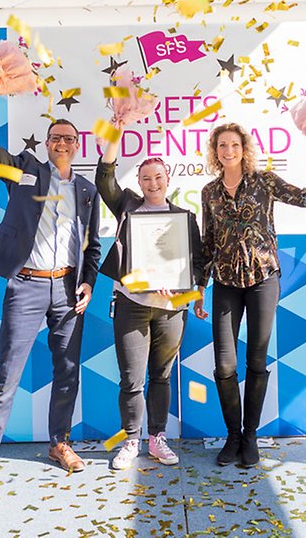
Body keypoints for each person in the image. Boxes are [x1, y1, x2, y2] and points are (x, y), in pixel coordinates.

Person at [0, 116, 102, 495]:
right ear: (48, 143)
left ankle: (59, 443)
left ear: (76, 145)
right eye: (55, 137)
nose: (61, 143)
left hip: (69, 288)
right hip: (27, 285)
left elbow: (93, 246)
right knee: (7, 372)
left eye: (68, 138)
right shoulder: (24, 171)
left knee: (68, 371)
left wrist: (88, 282)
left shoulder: (87, 190)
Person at [194, 121, 306, 468]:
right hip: (225, 283)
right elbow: (207, 242)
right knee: (225, 365)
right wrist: (200, 288)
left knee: (256, 361)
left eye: (234, 145)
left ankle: (251, 435)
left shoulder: (265, 182)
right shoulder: (209, 192)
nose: (228, 151)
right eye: (222, 145)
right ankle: (233, 436)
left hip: (262, 280)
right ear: (215, 152)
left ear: (245, 149)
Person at [95, 120, 205, 469]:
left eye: (158, 177)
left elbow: (197, 262)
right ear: (138, 183)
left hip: (171, 309)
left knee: (161, 375)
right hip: (132, 304)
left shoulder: (185, 217)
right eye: (146, 178)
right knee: (131, 378)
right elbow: (104, 178)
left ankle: (156, 438)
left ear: (168, 180)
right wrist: (114, 131)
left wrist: (188, 289)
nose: (152, 183)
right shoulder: (127, 206)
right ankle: (131, 440)